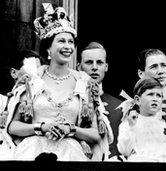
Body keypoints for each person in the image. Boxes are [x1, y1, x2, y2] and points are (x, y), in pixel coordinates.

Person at [5, 5, 113, 161]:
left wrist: (71, 129)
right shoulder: (33, 81)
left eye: (70, 42)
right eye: (61, 41)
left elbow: (95, 134)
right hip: (32, 153)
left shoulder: (84, 83)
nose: (68, 46)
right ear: (48, 48)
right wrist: (41, 127)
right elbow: (13, 127)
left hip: (71, 155)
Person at [117, 77, 166, 162]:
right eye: (150, 94)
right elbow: (125, 151)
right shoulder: (127, 125)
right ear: (137, 99)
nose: (155, 98)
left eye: (158, 95)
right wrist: (132, 127)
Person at [78, 41, 123, 159]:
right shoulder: (72, 101)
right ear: (79, 66)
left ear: (106, 67)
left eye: (99, 62)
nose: (94, 67)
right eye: (88, 62)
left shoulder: (119, 106)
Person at [0, 49, 43, 160]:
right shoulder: (2, 101)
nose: (37, 74)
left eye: (39, 69)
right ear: (14, 73)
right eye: (32, 68)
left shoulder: (42, 101)